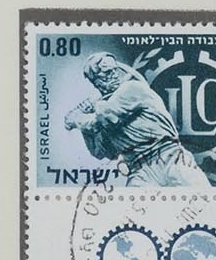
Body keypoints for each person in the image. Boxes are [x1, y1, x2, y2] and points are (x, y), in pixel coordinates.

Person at [62, 52, 204, 186]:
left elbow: (107, 117)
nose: (113, 75)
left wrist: (77, 118)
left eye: (114, 70)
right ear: (95, 81)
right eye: (106, 74)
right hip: (138, 170)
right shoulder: (103, 109)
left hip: (171, 159)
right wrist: (84, 127)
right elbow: (100, 151)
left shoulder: (132, 88)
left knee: (203, 200)